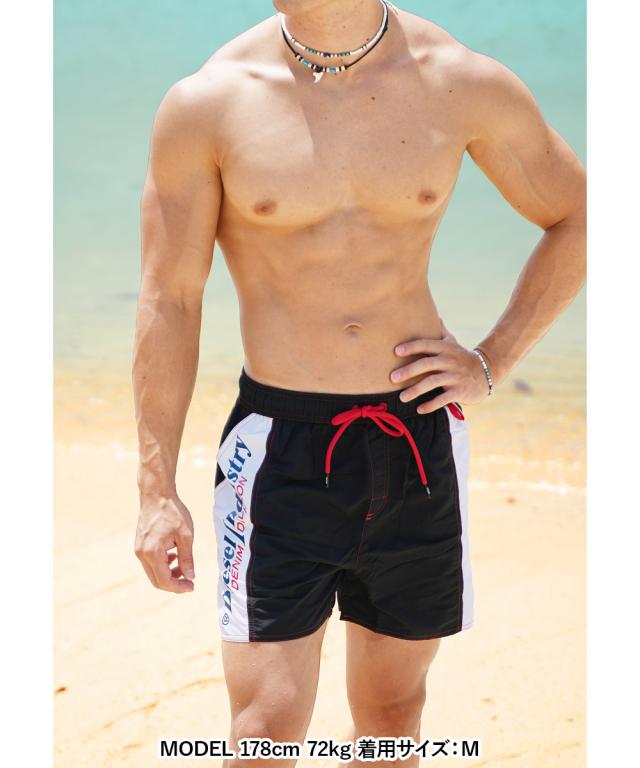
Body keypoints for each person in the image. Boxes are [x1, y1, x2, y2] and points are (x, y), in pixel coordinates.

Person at [132, 0, 586, 763]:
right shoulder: (209, 101)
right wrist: (156, 490)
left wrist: (492, 360)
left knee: (393, 718)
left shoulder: (458, 81)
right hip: (277, 448)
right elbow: (168, 299)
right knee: (264, 731)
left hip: (418, 436)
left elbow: (581, 215)